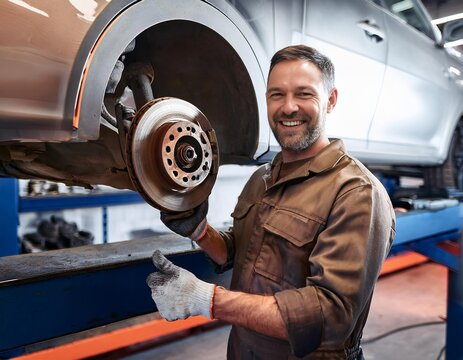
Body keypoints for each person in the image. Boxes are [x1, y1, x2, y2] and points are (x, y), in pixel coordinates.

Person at [146, 45, 396, 359]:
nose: (288, 107)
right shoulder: (262, 178)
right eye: (277, 94)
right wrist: (199, 232)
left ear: (331, 100)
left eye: (304, 94)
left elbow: (331, 316)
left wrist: (206, 299)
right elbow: (242, 253)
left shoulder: (356, 192)